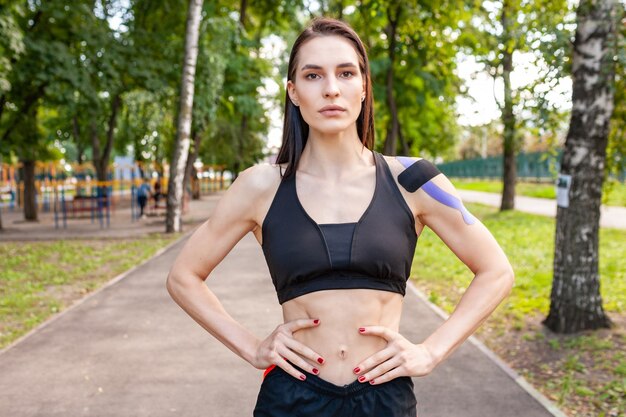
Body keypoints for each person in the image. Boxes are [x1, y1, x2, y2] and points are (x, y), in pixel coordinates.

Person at [166, 17, 514, 417]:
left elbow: (496, 271)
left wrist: (432, 351)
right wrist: (251, 347)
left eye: (346, 73)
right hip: (293, 397)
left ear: (363, 86)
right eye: (313, 75)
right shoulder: (260, 186)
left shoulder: (413, 180)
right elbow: (183, 277)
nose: (331, 88)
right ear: (293, 92)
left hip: (383, 397)